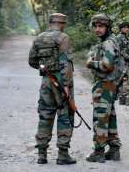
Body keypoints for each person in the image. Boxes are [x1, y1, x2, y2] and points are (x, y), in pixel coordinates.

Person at [28, 13, 76, 165]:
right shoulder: (63, 37)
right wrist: (67, 86)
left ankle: (42, 154)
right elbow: (66, 64)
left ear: (50, 23)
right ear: (61, 23)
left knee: (45, 115)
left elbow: (32, 60)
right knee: (64, 115)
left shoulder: (39, 38)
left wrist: (44, 69)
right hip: (61, 82)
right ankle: (63, 155)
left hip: (46, 81)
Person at [85, 13, 123, 163]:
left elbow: (107, 65)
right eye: (95, 26)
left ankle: (99, 151)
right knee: (110, 117)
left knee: (100, 118)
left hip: (104, 84)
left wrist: (90, 63)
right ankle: (114, 150)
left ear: (107, 27)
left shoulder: (108, 43)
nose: (97, 29)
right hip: (109, 85)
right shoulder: (108, 41)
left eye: (101, 26)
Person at [117, 22, 129, 106]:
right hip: (122, 62)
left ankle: (122, 99)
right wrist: (127, 57)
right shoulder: (119, 38)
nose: (127, 29)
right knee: (125, 80)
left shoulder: (126, 38)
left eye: (127, 27)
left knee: (123, 80)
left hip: (127, 62)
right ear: (121, 29)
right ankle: (127, 100)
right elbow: (118, 50)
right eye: (125, 27)